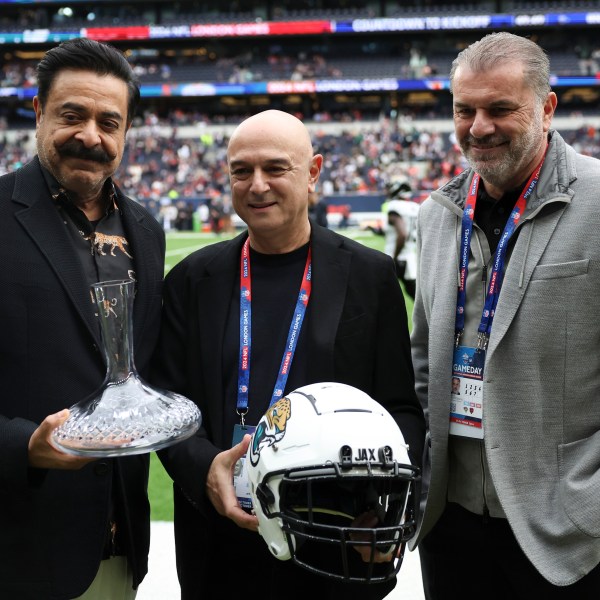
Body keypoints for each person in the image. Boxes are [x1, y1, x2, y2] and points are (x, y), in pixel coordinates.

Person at [153, 109, 425, 600]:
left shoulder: (370, 276)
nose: (257, 185)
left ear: (314, 172)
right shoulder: (192, 280)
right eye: (241, 170)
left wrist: (382, 509)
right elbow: (168, 408)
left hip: (336, 540)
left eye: (276, 168)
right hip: (220, 544)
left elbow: (400, 407)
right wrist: (204, 467)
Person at [410, 31, 600, 599]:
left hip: (568, 532)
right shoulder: (438, 214)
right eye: (464, 109)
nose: (479, 126)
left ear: (546, 108)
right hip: (452, 521)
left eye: (499, 108)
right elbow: (424, 356)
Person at [0, 38, 165, 599]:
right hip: (19, 548)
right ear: (40, 111)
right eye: (73, 115)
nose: (91, 135)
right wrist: (21, 445)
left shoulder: (146, 230)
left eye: (108, 121)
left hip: (118, 547)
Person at [382, 180, 419, 299]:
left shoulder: (394, 206)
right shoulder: (415, 207)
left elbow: (402, 234)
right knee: (414, 293)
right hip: (410, 256)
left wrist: (394, 257)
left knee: (382, 295)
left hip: (397, 257)